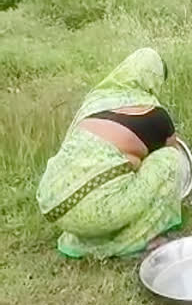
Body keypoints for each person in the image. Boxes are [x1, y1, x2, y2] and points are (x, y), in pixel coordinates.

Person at [37, 48, 183, 258]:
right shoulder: (156, 115)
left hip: (54, 206)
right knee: (169, 160)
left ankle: (84, 239)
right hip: (97, 213)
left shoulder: (97, 100)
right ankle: (135, 239)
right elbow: (173, 149)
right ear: (155, 79)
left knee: (121, 162)